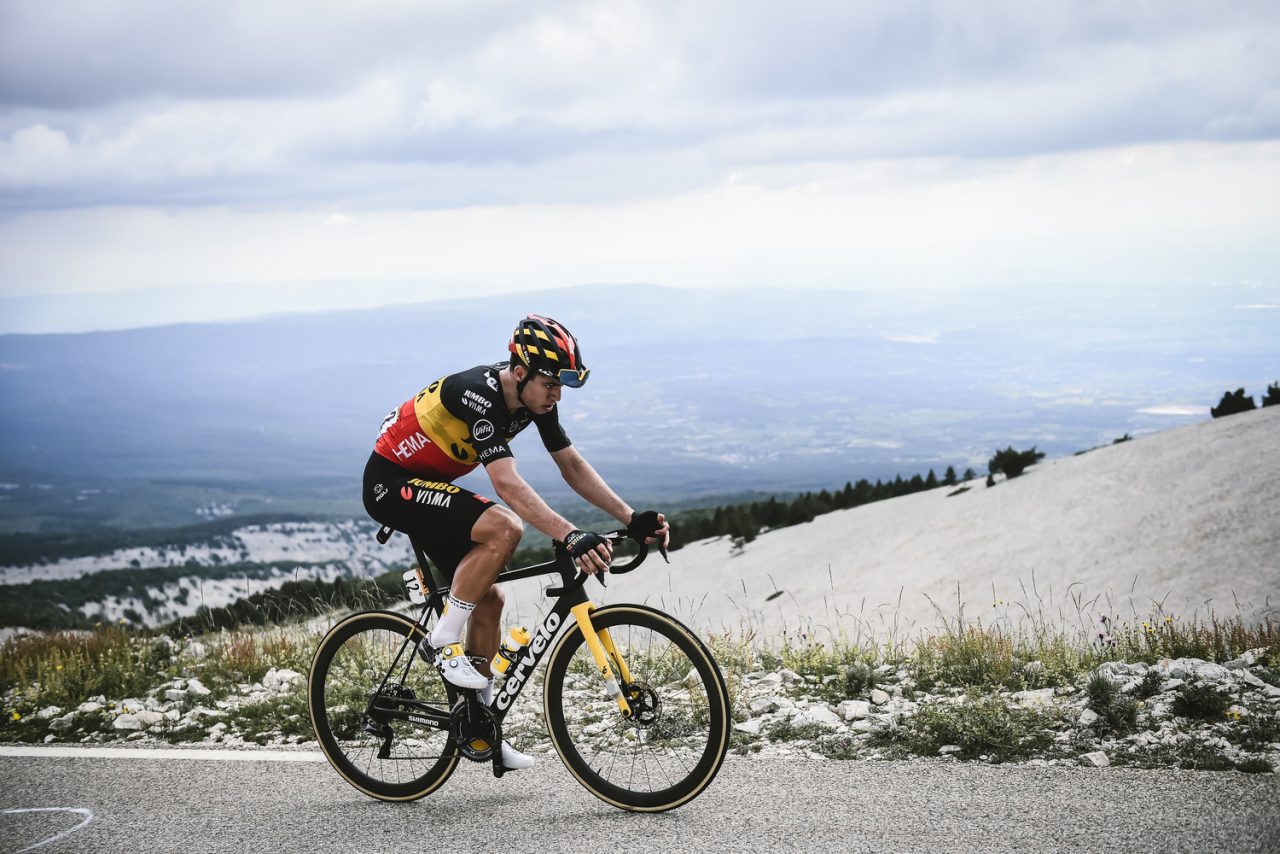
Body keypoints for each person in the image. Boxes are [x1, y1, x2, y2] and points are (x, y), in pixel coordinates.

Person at [362, 314, 670, 770]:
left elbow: (571, 465)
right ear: (520, 371)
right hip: (393, 484)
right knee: (505, 527)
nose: (557, 395)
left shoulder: (535, 400)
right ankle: (441, 642)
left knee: (488, 601)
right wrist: (569, 534)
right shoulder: (479, 394)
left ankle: (481, 726)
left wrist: (629, 516)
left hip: (432, 488)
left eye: (562, 386)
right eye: (550, 384)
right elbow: (506, 484)